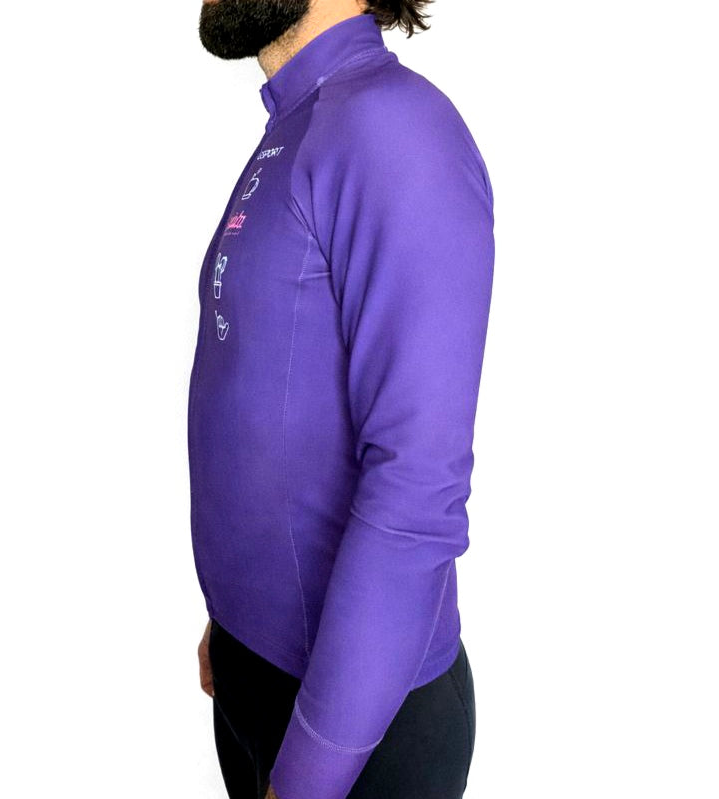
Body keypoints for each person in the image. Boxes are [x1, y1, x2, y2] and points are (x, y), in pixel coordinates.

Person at [191, 1, 494, 797]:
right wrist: (235, 616)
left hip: (358, 729)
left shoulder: (394, 130)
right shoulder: (303, 121)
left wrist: (312, 772)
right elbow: (276, 398)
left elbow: (416, 488)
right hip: (259, 675)